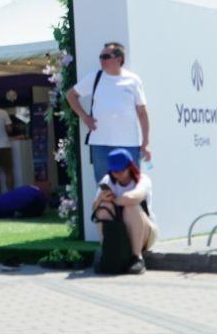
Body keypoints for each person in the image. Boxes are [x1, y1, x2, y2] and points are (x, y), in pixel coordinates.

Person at [66, 43, 151, 186]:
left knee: (131, 186)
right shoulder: (95, 77)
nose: (101, 60)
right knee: (105, 188)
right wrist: (85, 117)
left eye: (106, 56)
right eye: (101, 57)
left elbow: (142, 112)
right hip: (100, 145)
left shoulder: (133, 80)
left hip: (128, 144)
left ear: (119, 59)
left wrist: (145, 143)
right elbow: (70, 95)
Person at [90, 148, 157, 274]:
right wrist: (100, 199)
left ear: (130, 167)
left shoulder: (143, 180)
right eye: (115, 170)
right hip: (119, 230)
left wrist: (114, 200)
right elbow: (94, 210)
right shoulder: (107, 180)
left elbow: (134, 197)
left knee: (131, 206)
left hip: (146, 231)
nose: (118, 173)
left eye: (122, 169)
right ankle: (108, 253)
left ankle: (137, 258)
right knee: (103, 208)